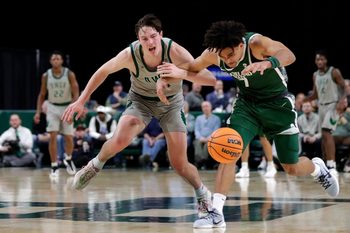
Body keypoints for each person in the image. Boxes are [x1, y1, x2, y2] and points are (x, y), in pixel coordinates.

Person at [157, 20, 340, 229]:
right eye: (223, 57)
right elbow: (192, 66)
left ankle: (318, 168)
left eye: (231, 55)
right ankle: (215, 212)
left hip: (277, 105)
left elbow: (288, 54)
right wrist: (167, 76)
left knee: (291, 166)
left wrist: (268, 62)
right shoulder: (216, 53)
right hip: (247, 106)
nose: (228, 61)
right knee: (229, 149)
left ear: (241, 46)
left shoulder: (256, 43)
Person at [61, 14, 216, 219]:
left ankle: (202, 193)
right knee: (121, 137)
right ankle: (94, 165)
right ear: (138, 40)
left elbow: (210, 79)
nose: (150, 42)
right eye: (144, 39)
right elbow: (103, 71)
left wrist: (179, 72)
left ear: (161, 34)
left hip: (171, 104)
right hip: (141, 100)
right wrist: (81, 100)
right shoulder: (130, 54)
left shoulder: (175, 51)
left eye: (153, 36)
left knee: (179, 163)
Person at [34, 50, 79, 177]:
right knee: (52, 136)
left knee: (68, 137)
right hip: (52, 107)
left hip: (67, 107)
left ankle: (68, 158)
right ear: (50, 61)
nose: (55, 61)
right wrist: (38, 112)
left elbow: (76, 92)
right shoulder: (46, 75)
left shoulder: (69, 74)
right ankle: (54, 165)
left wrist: (74, 109)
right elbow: (42, 94)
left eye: (58, 58)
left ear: (62, 61)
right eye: (53, 59)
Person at [305, 49, 347, 176]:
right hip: (322, 106)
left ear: (326, 60)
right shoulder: (315, 75)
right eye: (317, 59)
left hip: (333, 105)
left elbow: (344, 87)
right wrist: (305, 100)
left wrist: (342, 100)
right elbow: (315, 94)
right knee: (324, 137)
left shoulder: (334, 71)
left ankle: (332, 165)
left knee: (326, 132)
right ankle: (326, 163)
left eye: (322, 59)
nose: (319, 61)